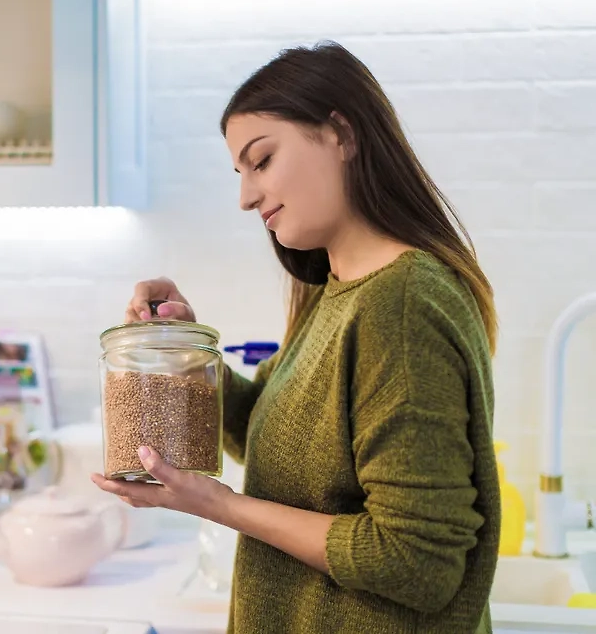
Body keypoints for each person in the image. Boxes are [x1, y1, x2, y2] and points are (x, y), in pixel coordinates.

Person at [92, 41, 500, 634]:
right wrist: (183, 352)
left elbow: (417, 563)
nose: (246, 196)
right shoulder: (336, 289)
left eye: (261, 161)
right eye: (240, 172)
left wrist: (218, 505)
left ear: (341, 133)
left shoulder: (402, 304)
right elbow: (270, 437)